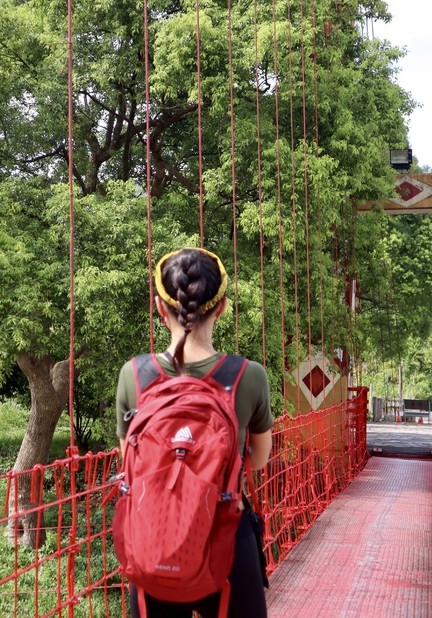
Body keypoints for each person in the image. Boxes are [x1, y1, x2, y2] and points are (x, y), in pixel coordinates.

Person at [116, 247, 274, 618]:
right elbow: (259, 460)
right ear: (221, 308)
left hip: (153, 539)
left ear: (159, 307)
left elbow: (129, 460)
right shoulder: (248, 376)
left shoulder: (134, 375)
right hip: (226, 536)